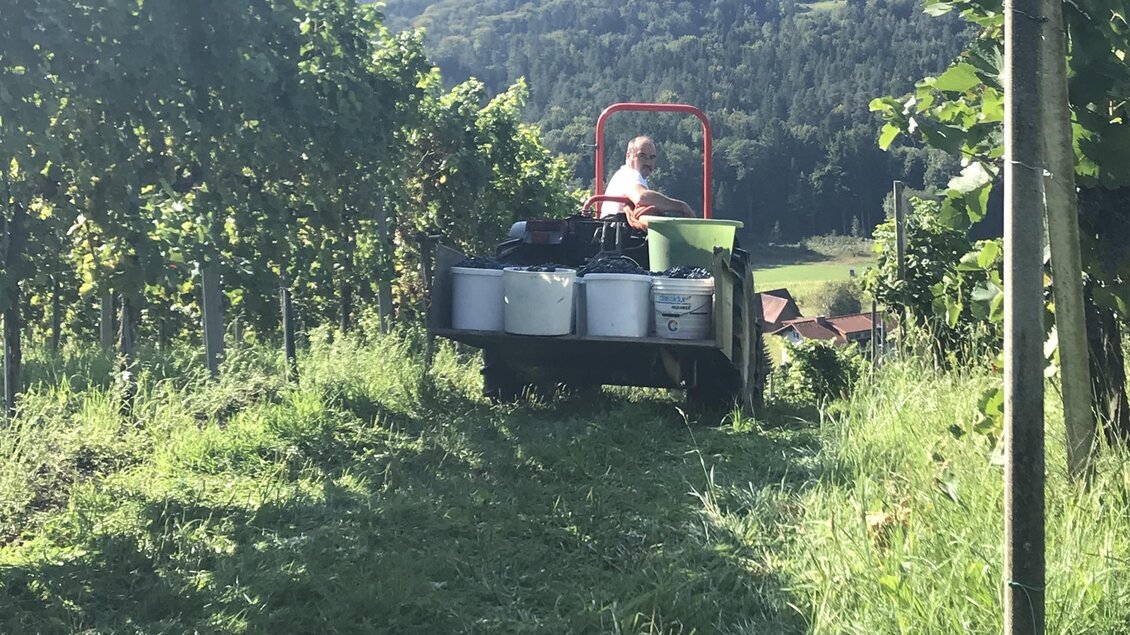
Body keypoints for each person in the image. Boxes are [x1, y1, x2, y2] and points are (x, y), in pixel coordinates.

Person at [600, 135, 696, 229]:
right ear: (628, 156)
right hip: (620, 234)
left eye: (652, 157)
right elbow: (641, 197)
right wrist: (682, 207)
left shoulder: (624, 175)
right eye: (642, 156)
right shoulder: (630, 175)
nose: (648, 162)